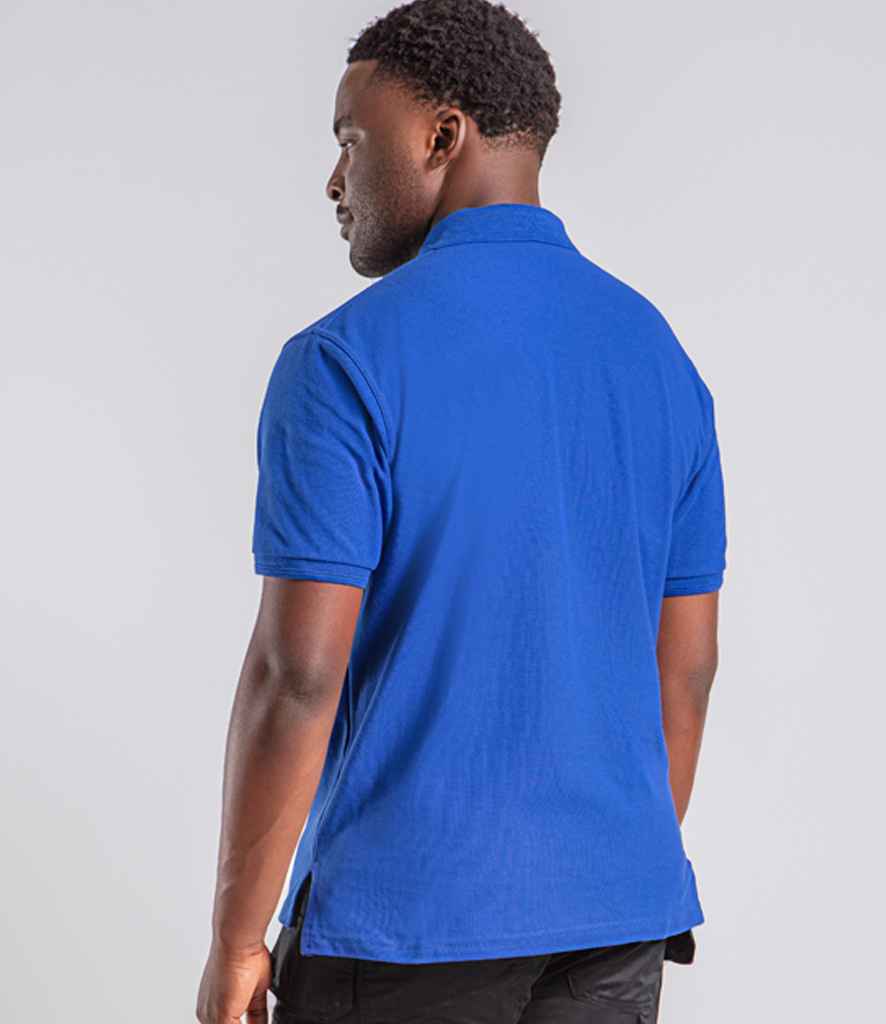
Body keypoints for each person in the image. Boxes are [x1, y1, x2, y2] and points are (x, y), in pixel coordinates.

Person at [196, 1, 727, 1021]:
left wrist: (235, 941)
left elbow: (297, 674)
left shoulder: (343, 362)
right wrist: (602, 876)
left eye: (352, 139)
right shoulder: (659, 358)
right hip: (619, 915)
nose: (335, 178)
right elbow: (687, 669)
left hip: (408, 924)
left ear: (442, 135)